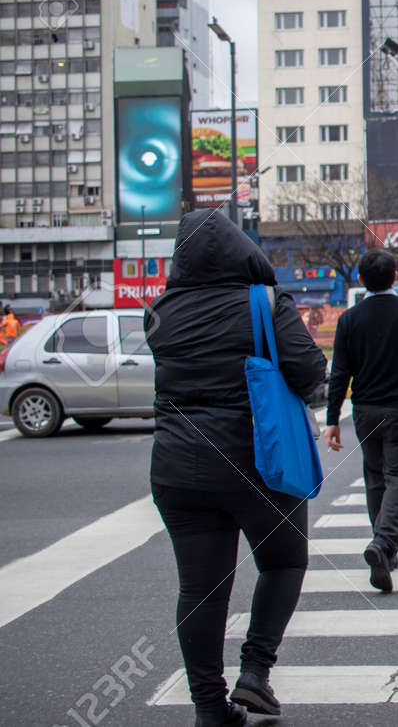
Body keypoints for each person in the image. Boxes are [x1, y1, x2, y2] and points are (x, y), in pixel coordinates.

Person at [148, 209, 327, 726]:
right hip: (257, 462)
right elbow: (309, 371)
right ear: (240, 248)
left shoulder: (159, 311)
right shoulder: (265, 302)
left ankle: (209, 706)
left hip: (177, 468)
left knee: (199, 589)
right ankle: (255, 672)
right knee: (284, 563)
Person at [321, 249, 398, 593]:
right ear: (396, 276)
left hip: (365, 410)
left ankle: (384, 548)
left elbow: (339, 373)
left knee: (375, 478)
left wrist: (333, 418)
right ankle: (384, 544)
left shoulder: (350, 319)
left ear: (360, 280)